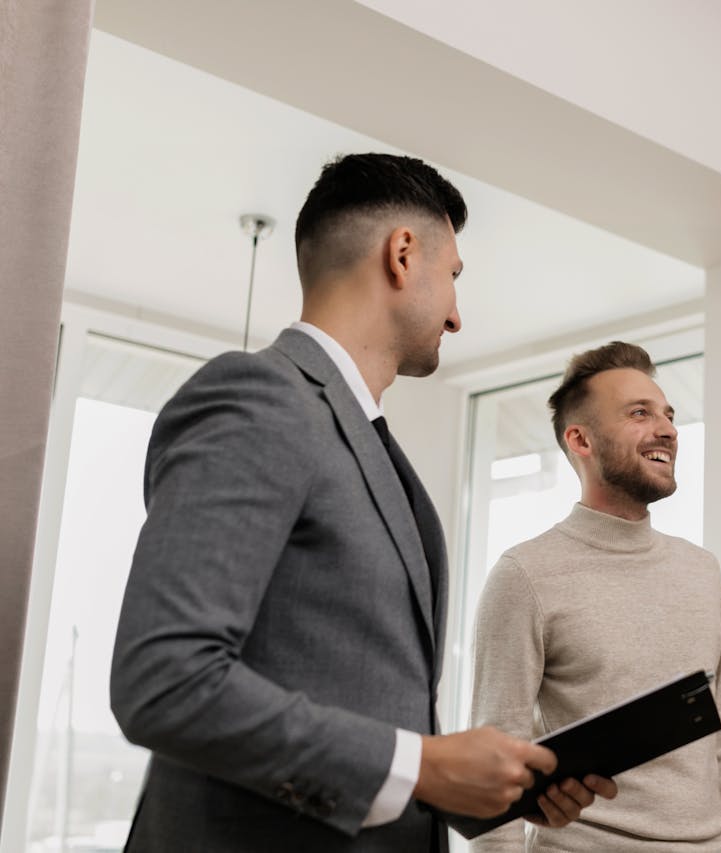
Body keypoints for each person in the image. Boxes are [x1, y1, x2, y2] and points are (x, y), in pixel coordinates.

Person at [109, 152, 614, 853]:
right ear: (403, 255)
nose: (458, 315)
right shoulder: (260, 397)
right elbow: (164, 680)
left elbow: (367, 708)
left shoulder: (363, 438)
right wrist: (423, 764)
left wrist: (469, 792)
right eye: (454, 278)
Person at [469, 341, 721, 852]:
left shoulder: (701, 571)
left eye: (668, 415)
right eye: (640, 413)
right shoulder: (525, 576)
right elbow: (496, 761)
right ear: (580, 440)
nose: (667, 429)